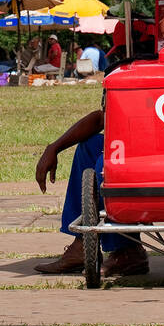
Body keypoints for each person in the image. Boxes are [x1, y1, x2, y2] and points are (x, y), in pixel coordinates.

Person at [33, 110, 149, 276]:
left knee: (106, 164)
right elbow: (101, 118)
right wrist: (54, 148)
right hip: (136, 145)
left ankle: (126, 249)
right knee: (88, 146)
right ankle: (81, 245)